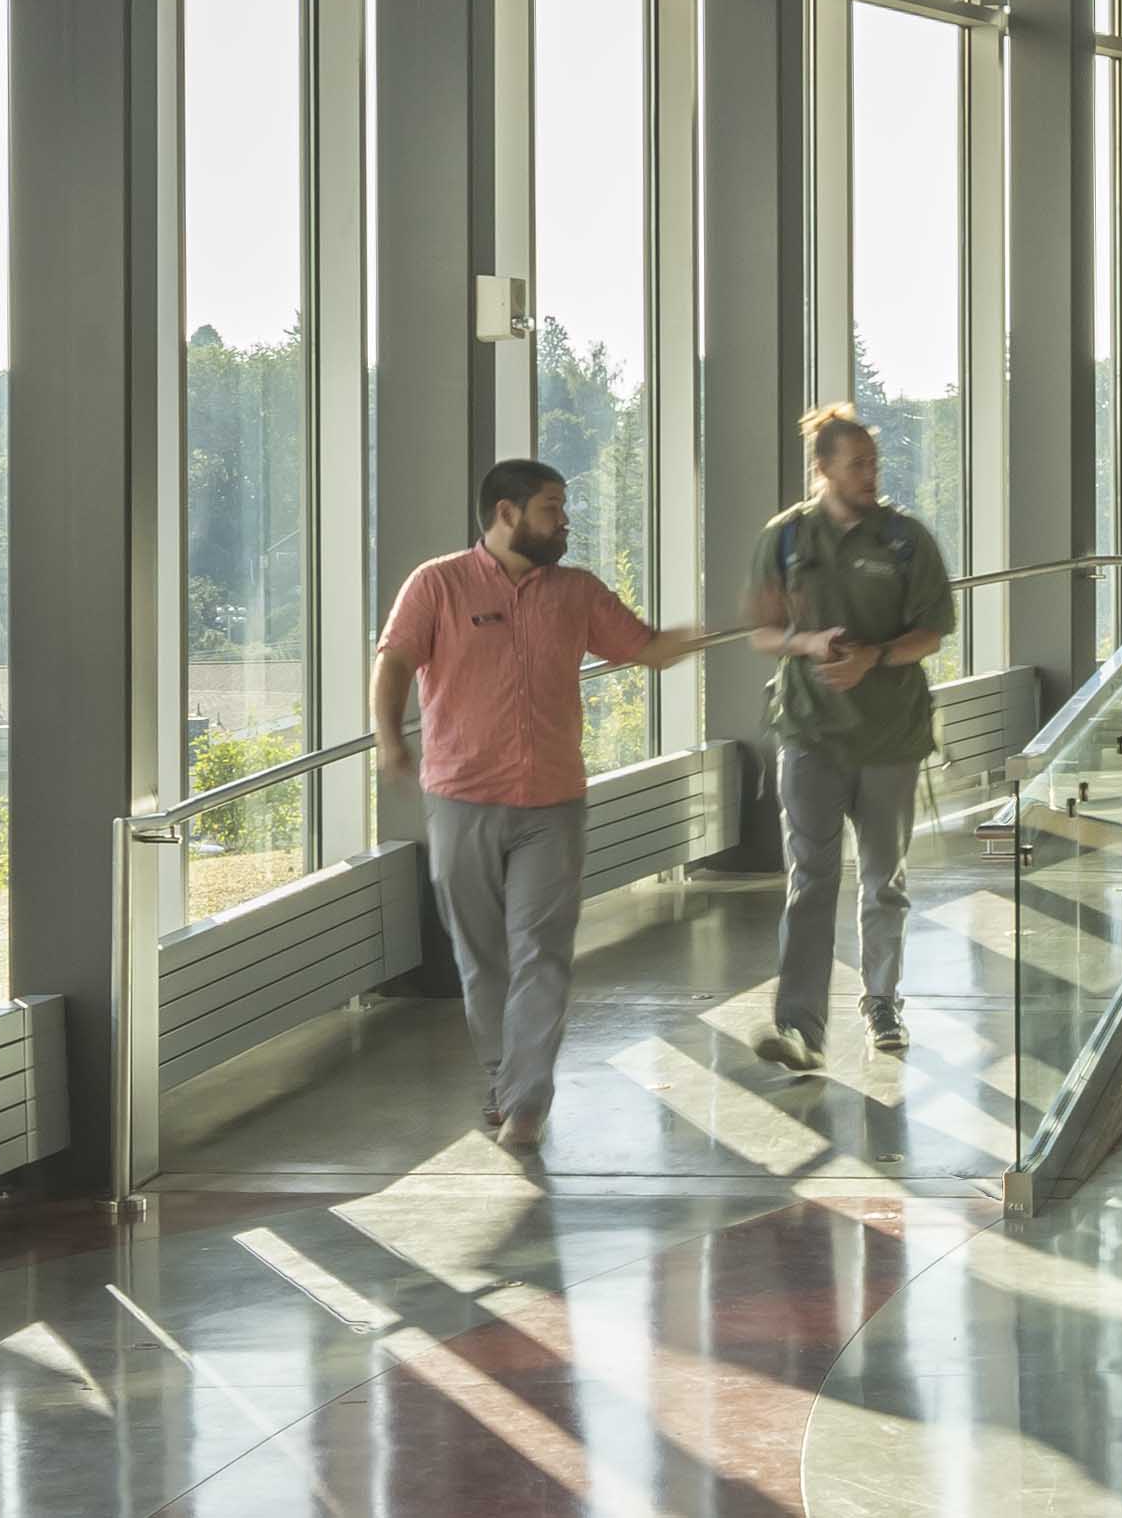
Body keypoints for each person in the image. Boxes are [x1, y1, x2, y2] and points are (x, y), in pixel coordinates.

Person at [376, 459, 712, 1153]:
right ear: (507, 513)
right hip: (460, 799)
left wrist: (728, 628)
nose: (565, 521)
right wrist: (388, 742)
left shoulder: (577, 593)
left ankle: (528, 1099)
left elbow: (647, 649)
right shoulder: (437, 584)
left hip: (553, 804)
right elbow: (395, 661)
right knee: (482, 957)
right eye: (552, 508)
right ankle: (505, 1078)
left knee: (543, 953)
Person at [748, 408, 950, 1076]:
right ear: (823, 468)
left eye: (874, 462)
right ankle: (799, 1027)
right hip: (808, 733)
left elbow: (932, 631)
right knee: (810, 880)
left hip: (890, 736)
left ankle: (882, 1001)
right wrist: (806, 643)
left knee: (882, 879)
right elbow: (764, 633)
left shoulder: (905, 541)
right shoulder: (784, 539)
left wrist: (874, 658)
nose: (870, 474)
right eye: (857, 463)